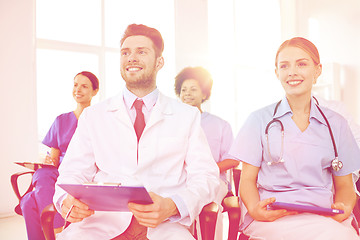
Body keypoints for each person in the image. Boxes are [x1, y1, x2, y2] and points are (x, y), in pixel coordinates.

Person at [53, 24, 220, 240]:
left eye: (141, 52)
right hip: (101, 223)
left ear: (159, 62)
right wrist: (67, 199)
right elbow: (72, 171)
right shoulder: (93, 116)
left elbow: (206, 176)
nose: (131, 58)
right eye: (125, 52)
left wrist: (173, 206)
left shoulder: (186, 116)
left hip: (163, 225)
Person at [228, 37, 360, 240]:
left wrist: (343, 208)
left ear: (317, 71)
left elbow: (345, 187)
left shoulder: (337, 124)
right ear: (276, 73)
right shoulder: (258, 120)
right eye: (284, 66)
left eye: (302, 64)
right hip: (273, 218)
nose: (292, 72)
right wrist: (255, 210)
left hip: (325, 219)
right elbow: (246, 180)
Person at [20, 71, 99, 240]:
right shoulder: (61, 120)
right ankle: (57, 228)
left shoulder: (98, 120)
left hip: (84, 174)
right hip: (58, 173)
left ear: (95, 91)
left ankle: (55, 231)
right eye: (75, 84)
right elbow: (54, 159)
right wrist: (46, 161)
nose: (78, 89)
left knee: (28, 201)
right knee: (42, 173)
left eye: (84, 86)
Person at [174, 66, 239, 240]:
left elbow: (233, 160)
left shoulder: (221, 125)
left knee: (206, 198)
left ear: (204, 94)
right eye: (183, 90)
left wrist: (206, 169)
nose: (187, 93)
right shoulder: (172, 125)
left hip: (214, 179)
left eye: (193, 89)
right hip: (180, 178)